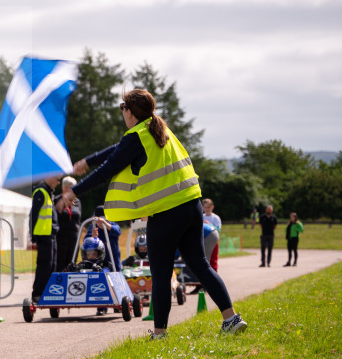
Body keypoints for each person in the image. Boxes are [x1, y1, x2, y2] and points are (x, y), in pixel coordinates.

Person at [58, 89, 247, 339]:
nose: (121, 113)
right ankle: (231, 319)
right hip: (192, 206)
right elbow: (118, 150)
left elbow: (109, 168)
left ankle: (159, 334)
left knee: (159, 274)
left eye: (122, 108)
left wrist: (72, 193)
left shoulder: (137, 136)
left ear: (130, 112)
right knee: (200, 265)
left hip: (166, 213)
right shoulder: (159, 130)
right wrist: (88, 160)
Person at [30, 176, 59, 303]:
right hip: (43, 234)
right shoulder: (40, 192)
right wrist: (33, 235)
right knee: (44, 265)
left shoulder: (48, 193)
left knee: (51, 265)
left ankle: (47, 291)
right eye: (57, 179)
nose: (58, 182)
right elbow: (33, 215)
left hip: (50, 234)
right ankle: (37, 293)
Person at [54, 176, 81, 271]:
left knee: (72, 264)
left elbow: (78, 218)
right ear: (62, 187)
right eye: (66, 186)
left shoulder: (77, 202)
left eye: (71, 187)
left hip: (74, 238)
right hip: (60, 237)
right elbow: (55, 216)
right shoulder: (57, 200)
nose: (69, 189)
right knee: (60, 264)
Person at [88, 205, 122, 271]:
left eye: (106, 220)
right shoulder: (92, 228)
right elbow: (86, 243)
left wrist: (106, 225)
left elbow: (118, 231)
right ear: (95, 220)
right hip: (97, 265)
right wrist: (92, 237)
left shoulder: (113, 225)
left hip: (114, 264)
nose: (102, 223)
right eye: (100, 221)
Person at [202, 198, 221, 271]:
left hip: (213, 241)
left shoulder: (215, 218)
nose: (207, 209)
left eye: (208, 207)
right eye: (205, 207)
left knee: (213, 260)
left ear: (212, 207)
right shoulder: (202, 216)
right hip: (203, 240)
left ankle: (214, 274)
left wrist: (210, 225)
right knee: (204, 259)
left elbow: (218, 230)